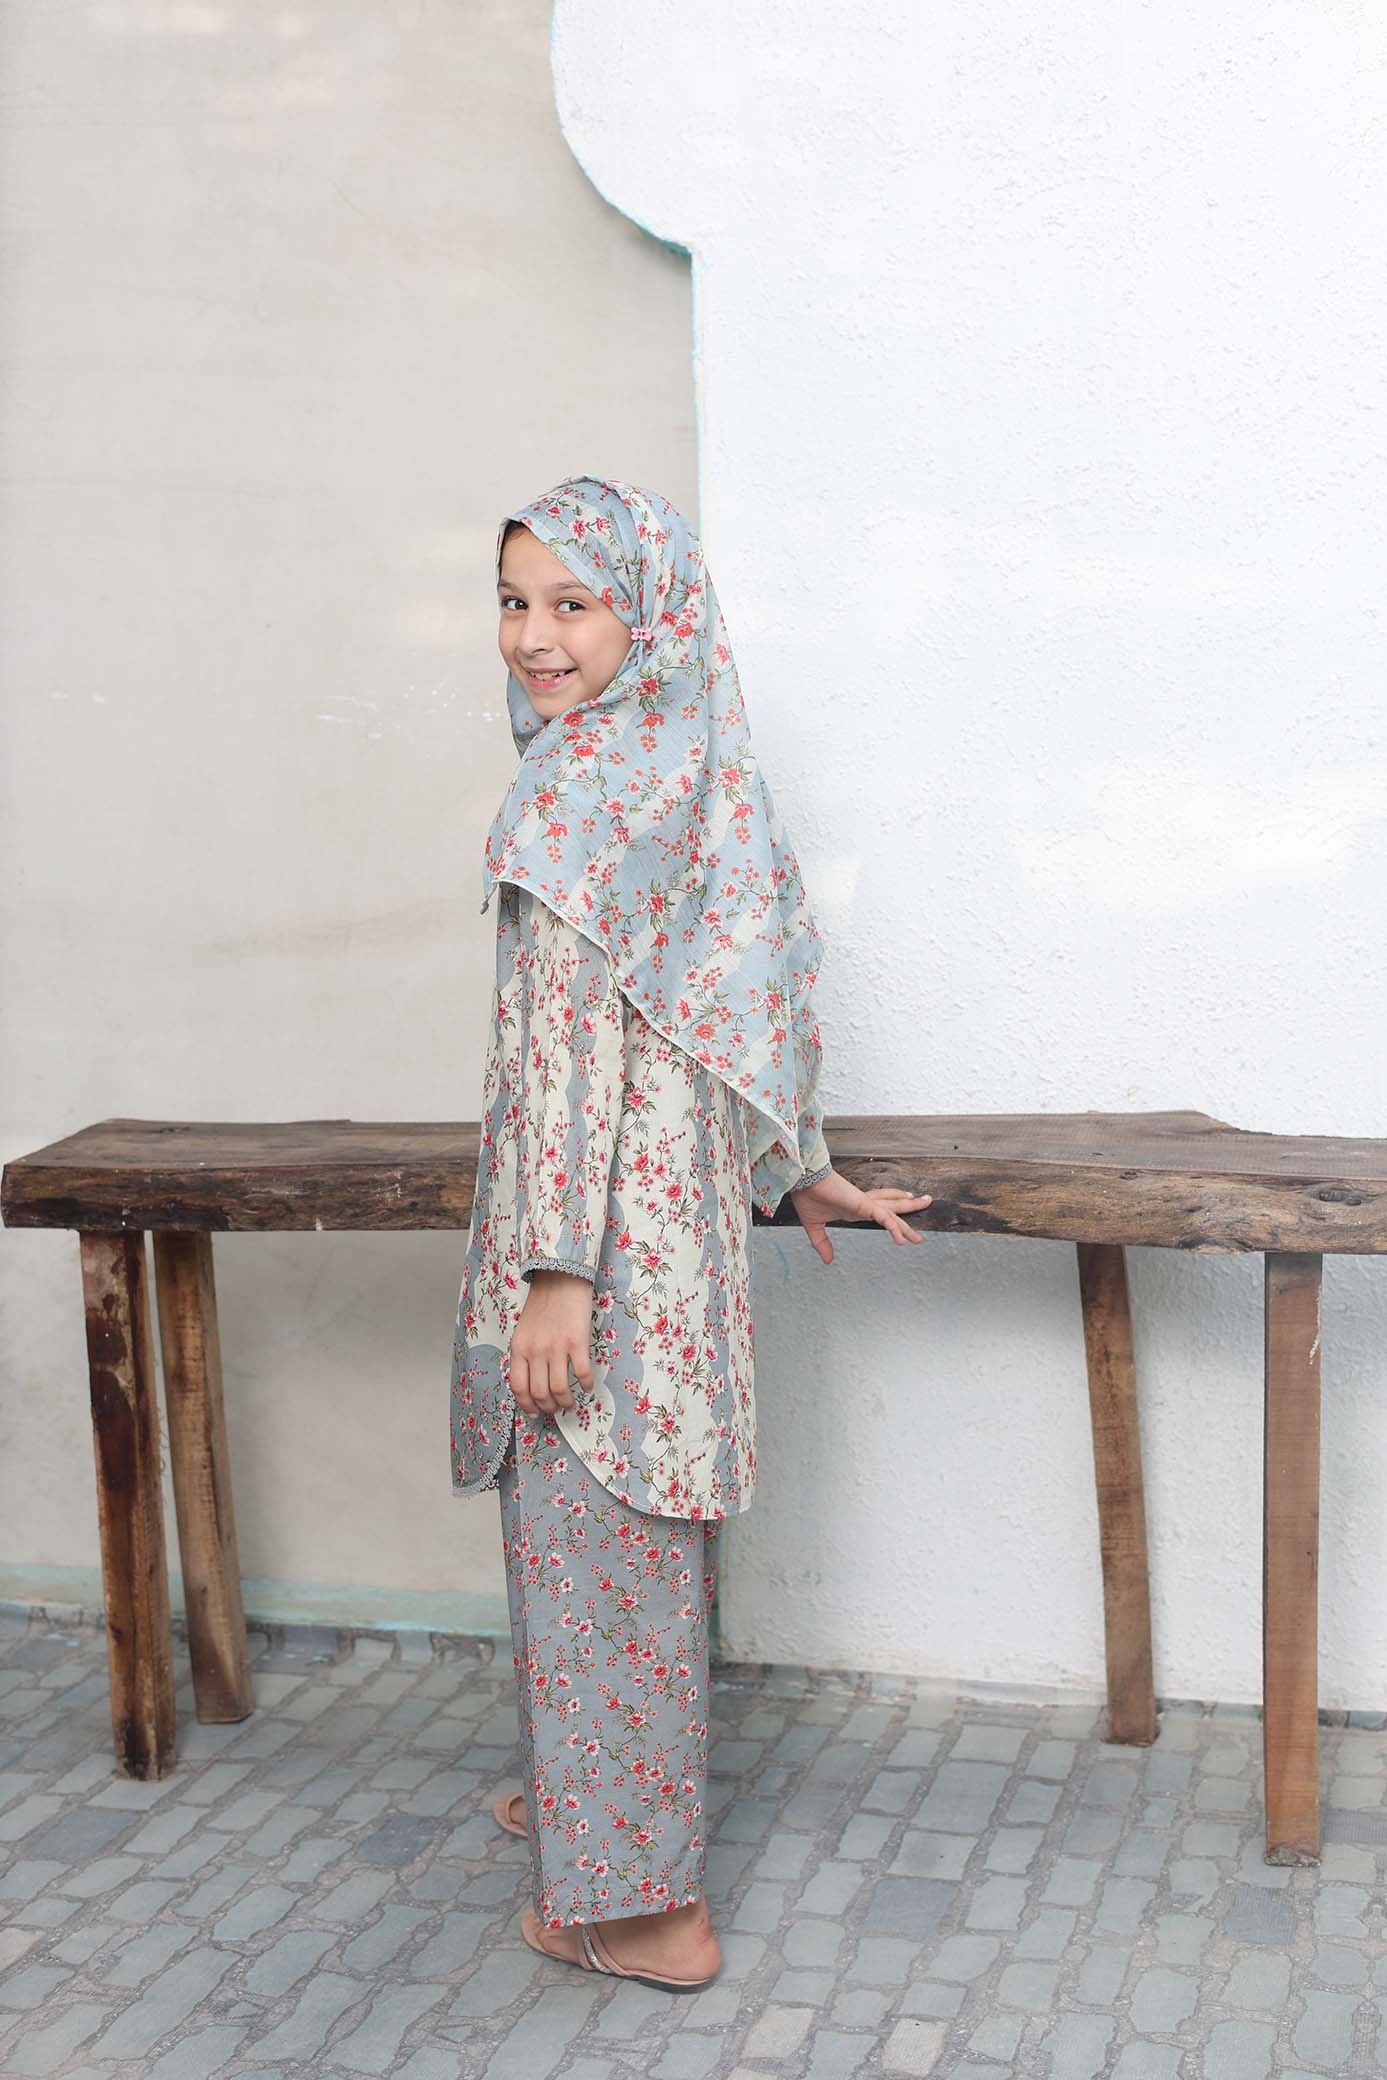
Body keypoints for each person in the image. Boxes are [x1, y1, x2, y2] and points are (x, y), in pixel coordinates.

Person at [449, 476, 931, 1992]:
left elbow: (565, 1060)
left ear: (643, 612)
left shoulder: (575, 800)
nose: (536, 637)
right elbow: (760, 996)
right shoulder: (695, 768)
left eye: (572, 603)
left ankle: (640, 1911)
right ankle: (602, 1802)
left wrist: (551, 1276)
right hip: (685, 1257)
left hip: (596, 1263)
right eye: (517, 602)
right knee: (632, 1568)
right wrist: (803, 1173)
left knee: (594, 1554)